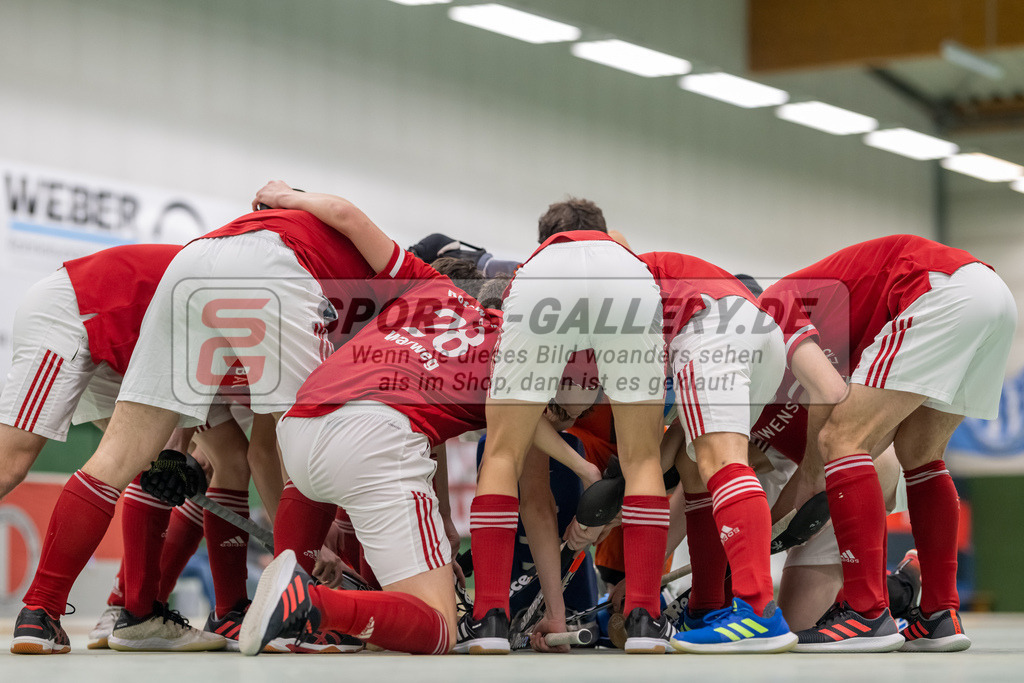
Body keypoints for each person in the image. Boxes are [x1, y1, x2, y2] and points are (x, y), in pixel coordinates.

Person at [237, 182, 599, 655]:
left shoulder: (428, 284)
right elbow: (531, 432)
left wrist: (286, 195)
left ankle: (284, 601)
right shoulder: (519, 351)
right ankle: (310, 607)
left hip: (301, 425)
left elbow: (345, 215)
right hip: (374, 440)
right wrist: (585, 468)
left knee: (319, 484)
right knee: (438, 627)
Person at [9, 206, 376, 654]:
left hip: (144, 345)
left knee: (220, 458)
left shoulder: (272, 303)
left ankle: (168, 611)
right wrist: (309, 551)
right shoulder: (290, 304)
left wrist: (177, 450)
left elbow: (255, 450)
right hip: (77, 314)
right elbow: (271, 450)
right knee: (14, 461)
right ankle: (73, 608)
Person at [762, 234, 1016, 652]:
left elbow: (829, 395)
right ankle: (938, 614)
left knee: (842, 440)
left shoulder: (768, 307)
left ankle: (866, 613)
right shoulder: (813, 314)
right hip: (991, 293)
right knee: (921, 453)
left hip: (938, 289)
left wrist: (811, 478)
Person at [461, 198, 671, 654]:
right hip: (628, 283)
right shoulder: (625, 256)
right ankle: (644, 619)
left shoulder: (528, 268)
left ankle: (490, 620)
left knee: (500, 452)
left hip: (544, 286)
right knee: (643, 460)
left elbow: (534, 498)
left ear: (543, 242)